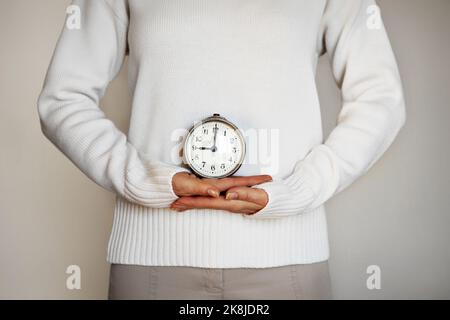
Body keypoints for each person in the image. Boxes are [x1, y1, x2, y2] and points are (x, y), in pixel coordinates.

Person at [37, 0, 405, 300]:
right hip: (152, 265)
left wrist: (300, 190)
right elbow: (63, 99)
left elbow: (381, 99)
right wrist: (144, 180)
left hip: (288, 264)